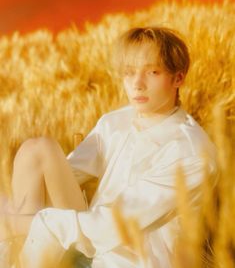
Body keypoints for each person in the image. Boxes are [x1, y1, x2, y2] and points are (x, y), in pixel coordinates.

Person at [0, 26, 218, 268]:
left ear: (178, 78)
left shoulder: (192, 153)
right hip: (85, 245)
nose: (137, 84)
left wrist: (24, 223)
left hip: (125, 261)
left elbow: (117, 223)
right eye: (129, 72)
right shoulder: (115, 122)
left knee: (25, 224)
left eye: (153, 72)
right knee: (37, 149)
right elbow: (64, 175)